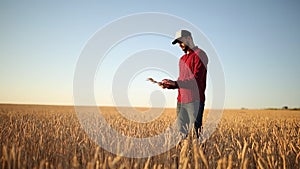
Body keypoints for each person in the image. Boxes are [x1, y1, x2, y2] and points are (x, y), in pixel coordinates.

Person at [160, 30, 208, 140]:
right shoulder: (182, 59)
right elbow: (182, 80)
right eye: (178, 43)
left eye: (181, 42)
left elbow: (196, 80)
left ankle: (198, 156)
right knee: (181, 135)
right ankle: (184, 156)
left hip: (195, 100)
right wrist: (170, 85)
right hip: (181, 101)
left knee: (195, 135)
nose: (179, 45)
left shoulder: (200, 54)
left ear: (189, 39)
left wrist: (176, 83)